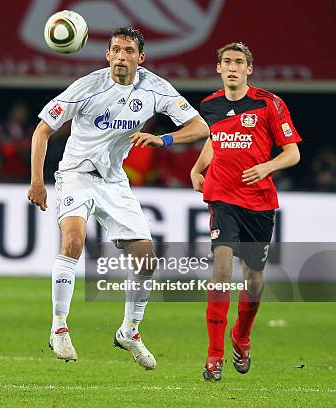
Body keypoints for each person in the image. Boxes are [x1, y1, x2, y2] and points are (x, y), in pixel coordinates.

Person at [27, 27, 209, 368]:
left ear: (141, 58)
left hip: (114, 182)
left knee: (147, 260)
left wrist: (164, 140)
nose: (121, 57)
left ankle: (129, 331)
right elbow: (42, 130)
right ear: (107, 55)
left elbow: (201, 128)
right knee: (73, 242)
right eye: (115, 50)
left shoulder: (155, 88)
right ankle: (59, 326)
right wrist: (37, 181)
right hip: (76, 175)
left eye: (128, 51)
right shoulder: (86, 87)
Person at [189, 42, 301, 381]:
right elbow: (214, 139)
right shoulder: (208, 106)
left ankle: (241, 336)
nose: (233, 67)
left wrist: (267, 167)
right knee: (221, 271)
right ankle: (214, 355)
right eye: (227, 62)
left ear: (249, 69)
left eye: (239, 62)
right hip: (223, 198)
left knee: (252, 281)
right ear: (219, 68)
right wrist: (198, 168)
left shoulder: (269, 103)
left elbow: (292, 153)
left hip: (260, 203)